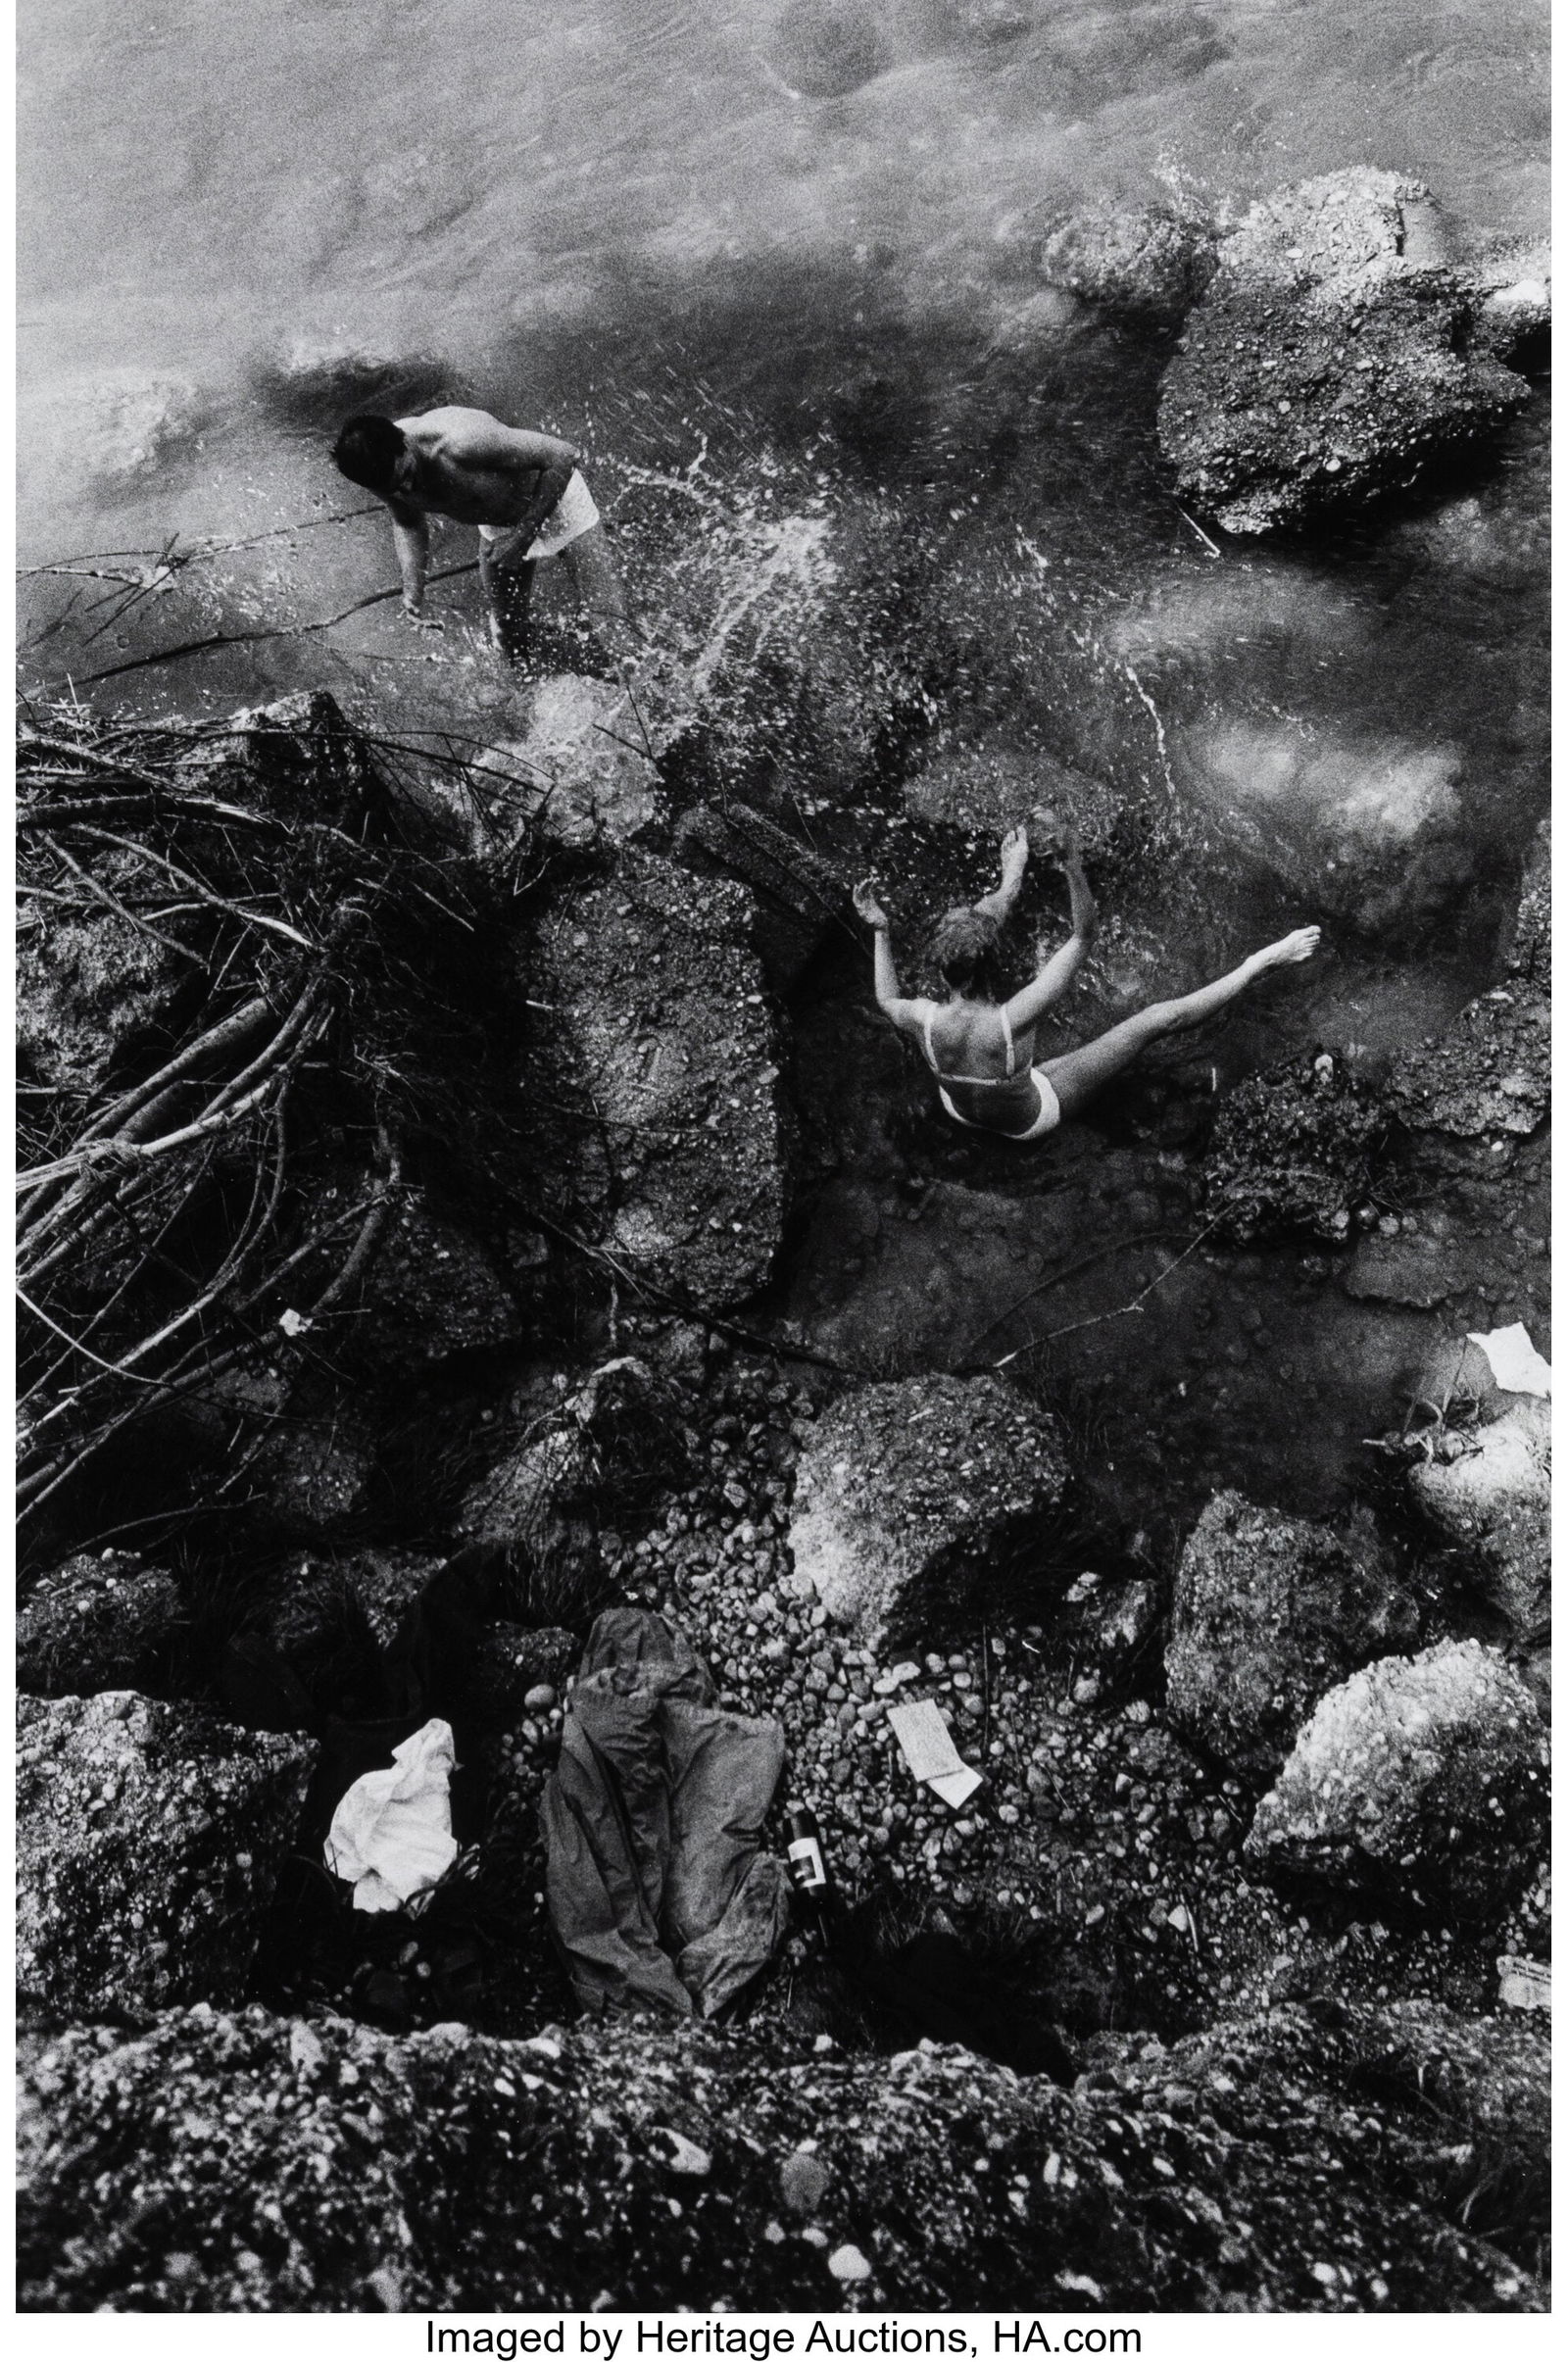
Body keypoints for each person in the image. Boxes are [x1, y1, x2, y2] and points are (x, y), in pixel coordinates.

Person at [853, 814, 1320, 1141]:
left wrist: (881, 930)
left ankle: (1009, 878)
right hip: (1025, 1121)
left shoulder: (921, 1017)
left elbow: (885, 999)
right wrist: (1073, 865)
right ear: (997, 965)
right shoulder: (1015, 1017)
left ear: (942, 965)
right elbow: (1083, 936)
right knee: (1150, 1022)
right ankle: (1260, 963)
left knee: (974, 929)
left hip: (959, 1111)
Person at [330, 405, 632, 667]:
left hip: (559, 507)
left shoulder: (462, 441)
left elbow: (564, 455)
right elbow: (407, 523)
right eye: (395, 488)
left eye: (407, 475)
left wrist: (521, 538)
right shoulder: (376, 470)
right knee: (508, 632)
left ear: (405, 442)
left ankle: (647, 705)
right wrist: (413, 589)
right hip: (497, 526)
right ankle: (529, 702)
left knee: (612, 626)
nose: (407, 491)